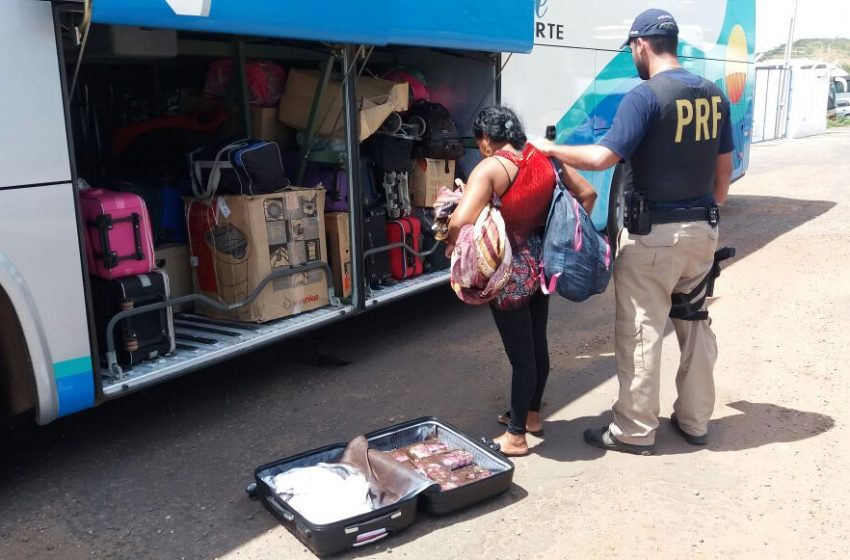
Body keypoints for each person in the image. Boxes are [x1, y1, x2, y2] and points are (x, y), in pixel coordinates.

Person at [537, 8, 734, 455]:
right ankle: (695, 421)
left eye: (631, 49)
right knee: (695, 323)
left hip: (652, 237)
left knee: (643, 329)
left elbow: (603, 158)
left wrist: (551, 148)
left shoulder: (645, 97)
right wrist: (697, 218)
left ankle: (635, 430)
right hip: (702, 232)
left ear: (640, 44)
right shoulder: (713, 95)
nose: (632, 56)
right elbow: (722, 181)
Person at [446, 106, 596, 456]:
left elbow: (459, 222)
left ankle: (516, 437)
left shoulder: (490, 168)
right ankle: (530, 416)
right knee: (536, 343)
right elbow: (587, 195)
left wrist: (451, 240)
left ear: (485, 139)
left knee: (521, 356)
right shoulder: (543, 155)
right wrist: (561, 238)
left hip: (509, 271)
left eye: (479, 140)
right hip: (542, 264)